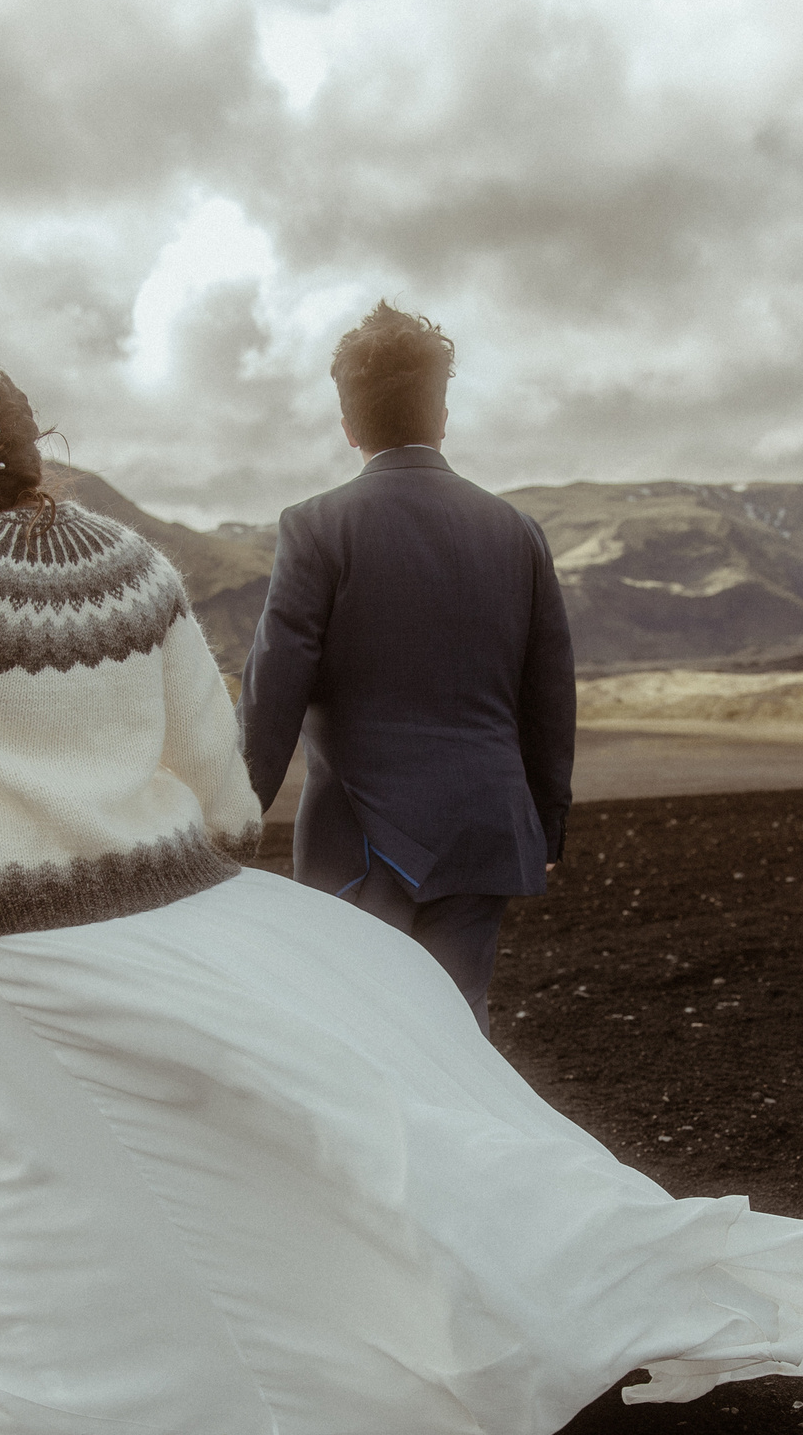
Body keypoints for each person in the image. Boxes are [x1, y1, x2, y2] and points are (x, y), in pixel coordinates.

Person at [0, 354, 803, 1435]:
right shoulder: (129, 564)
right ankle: (195, 1366)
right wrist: (214, 852)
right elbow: (203, 744)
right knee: (255, 1121)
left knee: (12, 1156)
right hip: (153, 897)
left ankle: (24, 1409)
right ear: (28, 443)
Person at [241, 303, 572, 1034]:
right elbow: (548, 694)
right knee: (459, 1037)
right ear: (442, 414)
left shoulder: (317, 527)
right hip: (487, 830)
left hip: (365, 838)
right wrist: (546, 826)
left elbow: (275, 687)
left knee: (365, 1037)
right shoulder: (518, 533)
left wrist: (238, 813)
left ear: (348, 424)